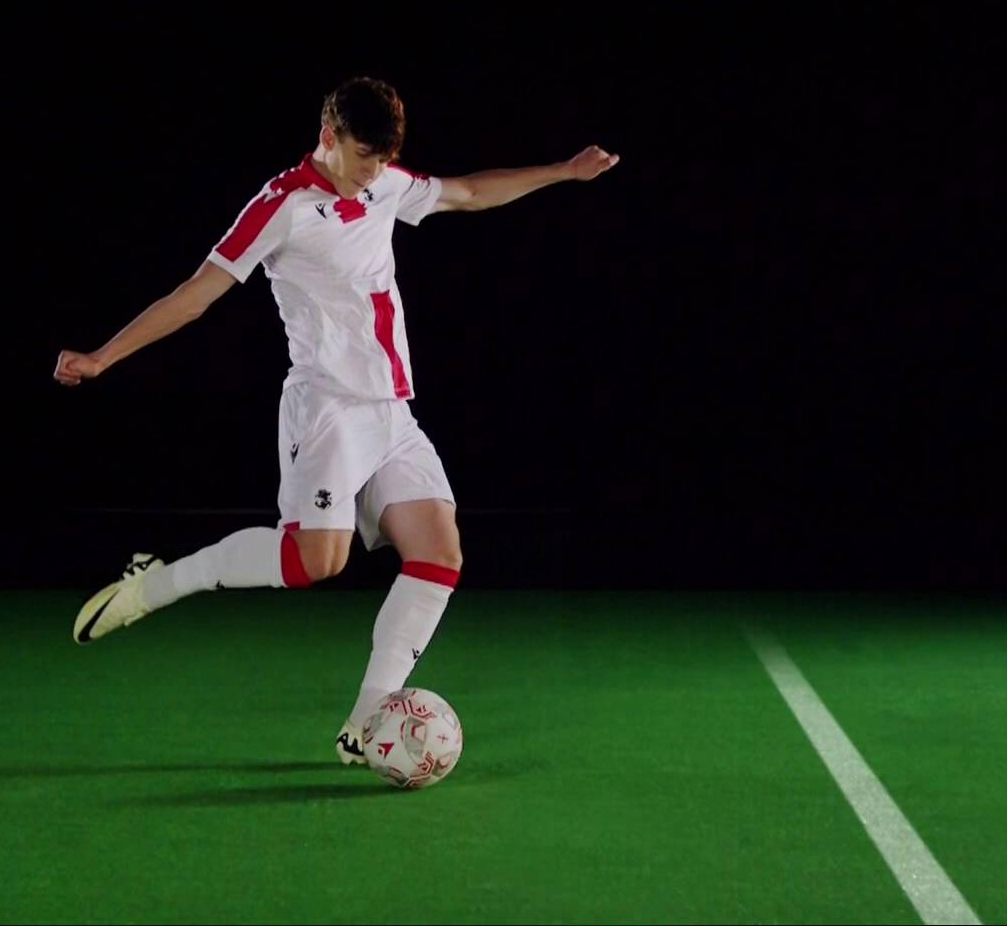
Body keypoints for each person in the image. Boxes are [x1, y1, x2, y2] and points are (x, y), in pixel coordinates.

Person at [53, 77, 619, 764]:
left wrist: (564, 171)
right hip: (326, 408)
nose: (373, 173)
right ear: (328, 137)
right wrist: (104, 356)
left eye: (384, 160)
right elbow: (196, 295)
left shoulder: (384, 185)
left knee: (439, 553)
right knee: (314, 563)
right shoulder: (281, 205)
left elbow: (469, 192)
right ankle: (157, 582)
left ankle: (364, 724)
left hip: (391, 411)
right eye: (363, 157)